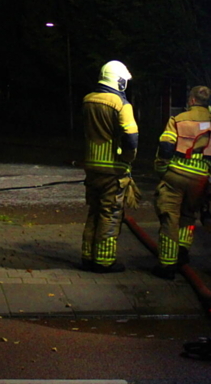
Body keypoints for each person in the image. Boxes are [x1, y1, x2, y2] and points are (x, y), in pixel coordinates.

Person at [152, 85, 211, 278]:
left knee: (170, 217)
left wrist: (161, 171)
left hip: (175, 175)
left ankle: (167, 266)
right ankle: (182, 253)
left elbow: (166, 147)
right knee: (188, 215)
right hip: (200, 178)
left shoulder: (178, 119)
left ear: (192, 100)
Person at [80, 60, 139, 273]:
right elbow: (131, 138)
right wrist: (128, 159)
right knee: (110, 213)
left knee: (94, 212)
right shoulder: (121, 104)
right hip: (113, 169)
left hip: (91, 166)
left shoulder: (88, 100)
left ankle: (87, 257)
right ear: (119, 81)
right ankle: (104, 261)